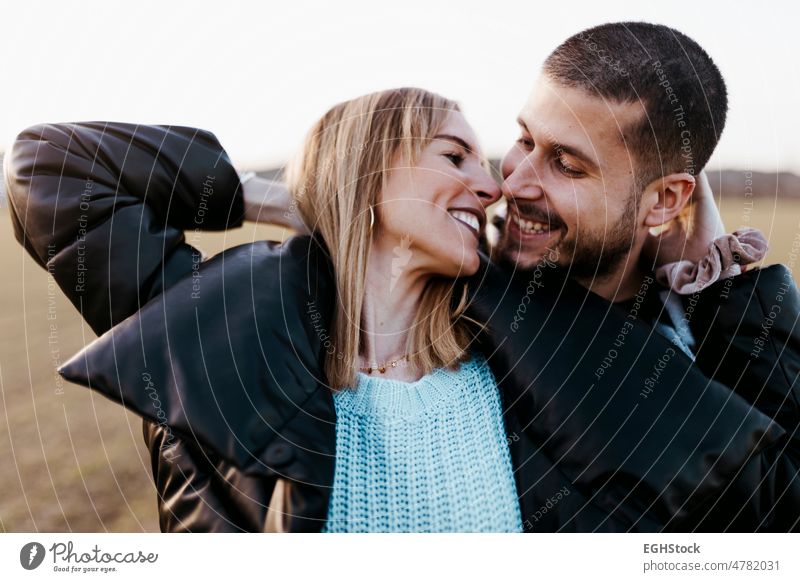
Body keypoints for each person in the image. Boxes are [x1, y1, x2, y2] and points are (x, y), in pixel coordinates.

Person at [7, 23, 799, 533]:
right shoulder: (235, 324)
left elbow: (770, 502)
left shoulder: (563, 353)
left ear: (664, 202)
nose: (507, 183)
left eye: (565, 164)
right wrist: (295, 198)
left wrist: (727, 297)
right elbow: (52, 169)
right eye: (514, 143)